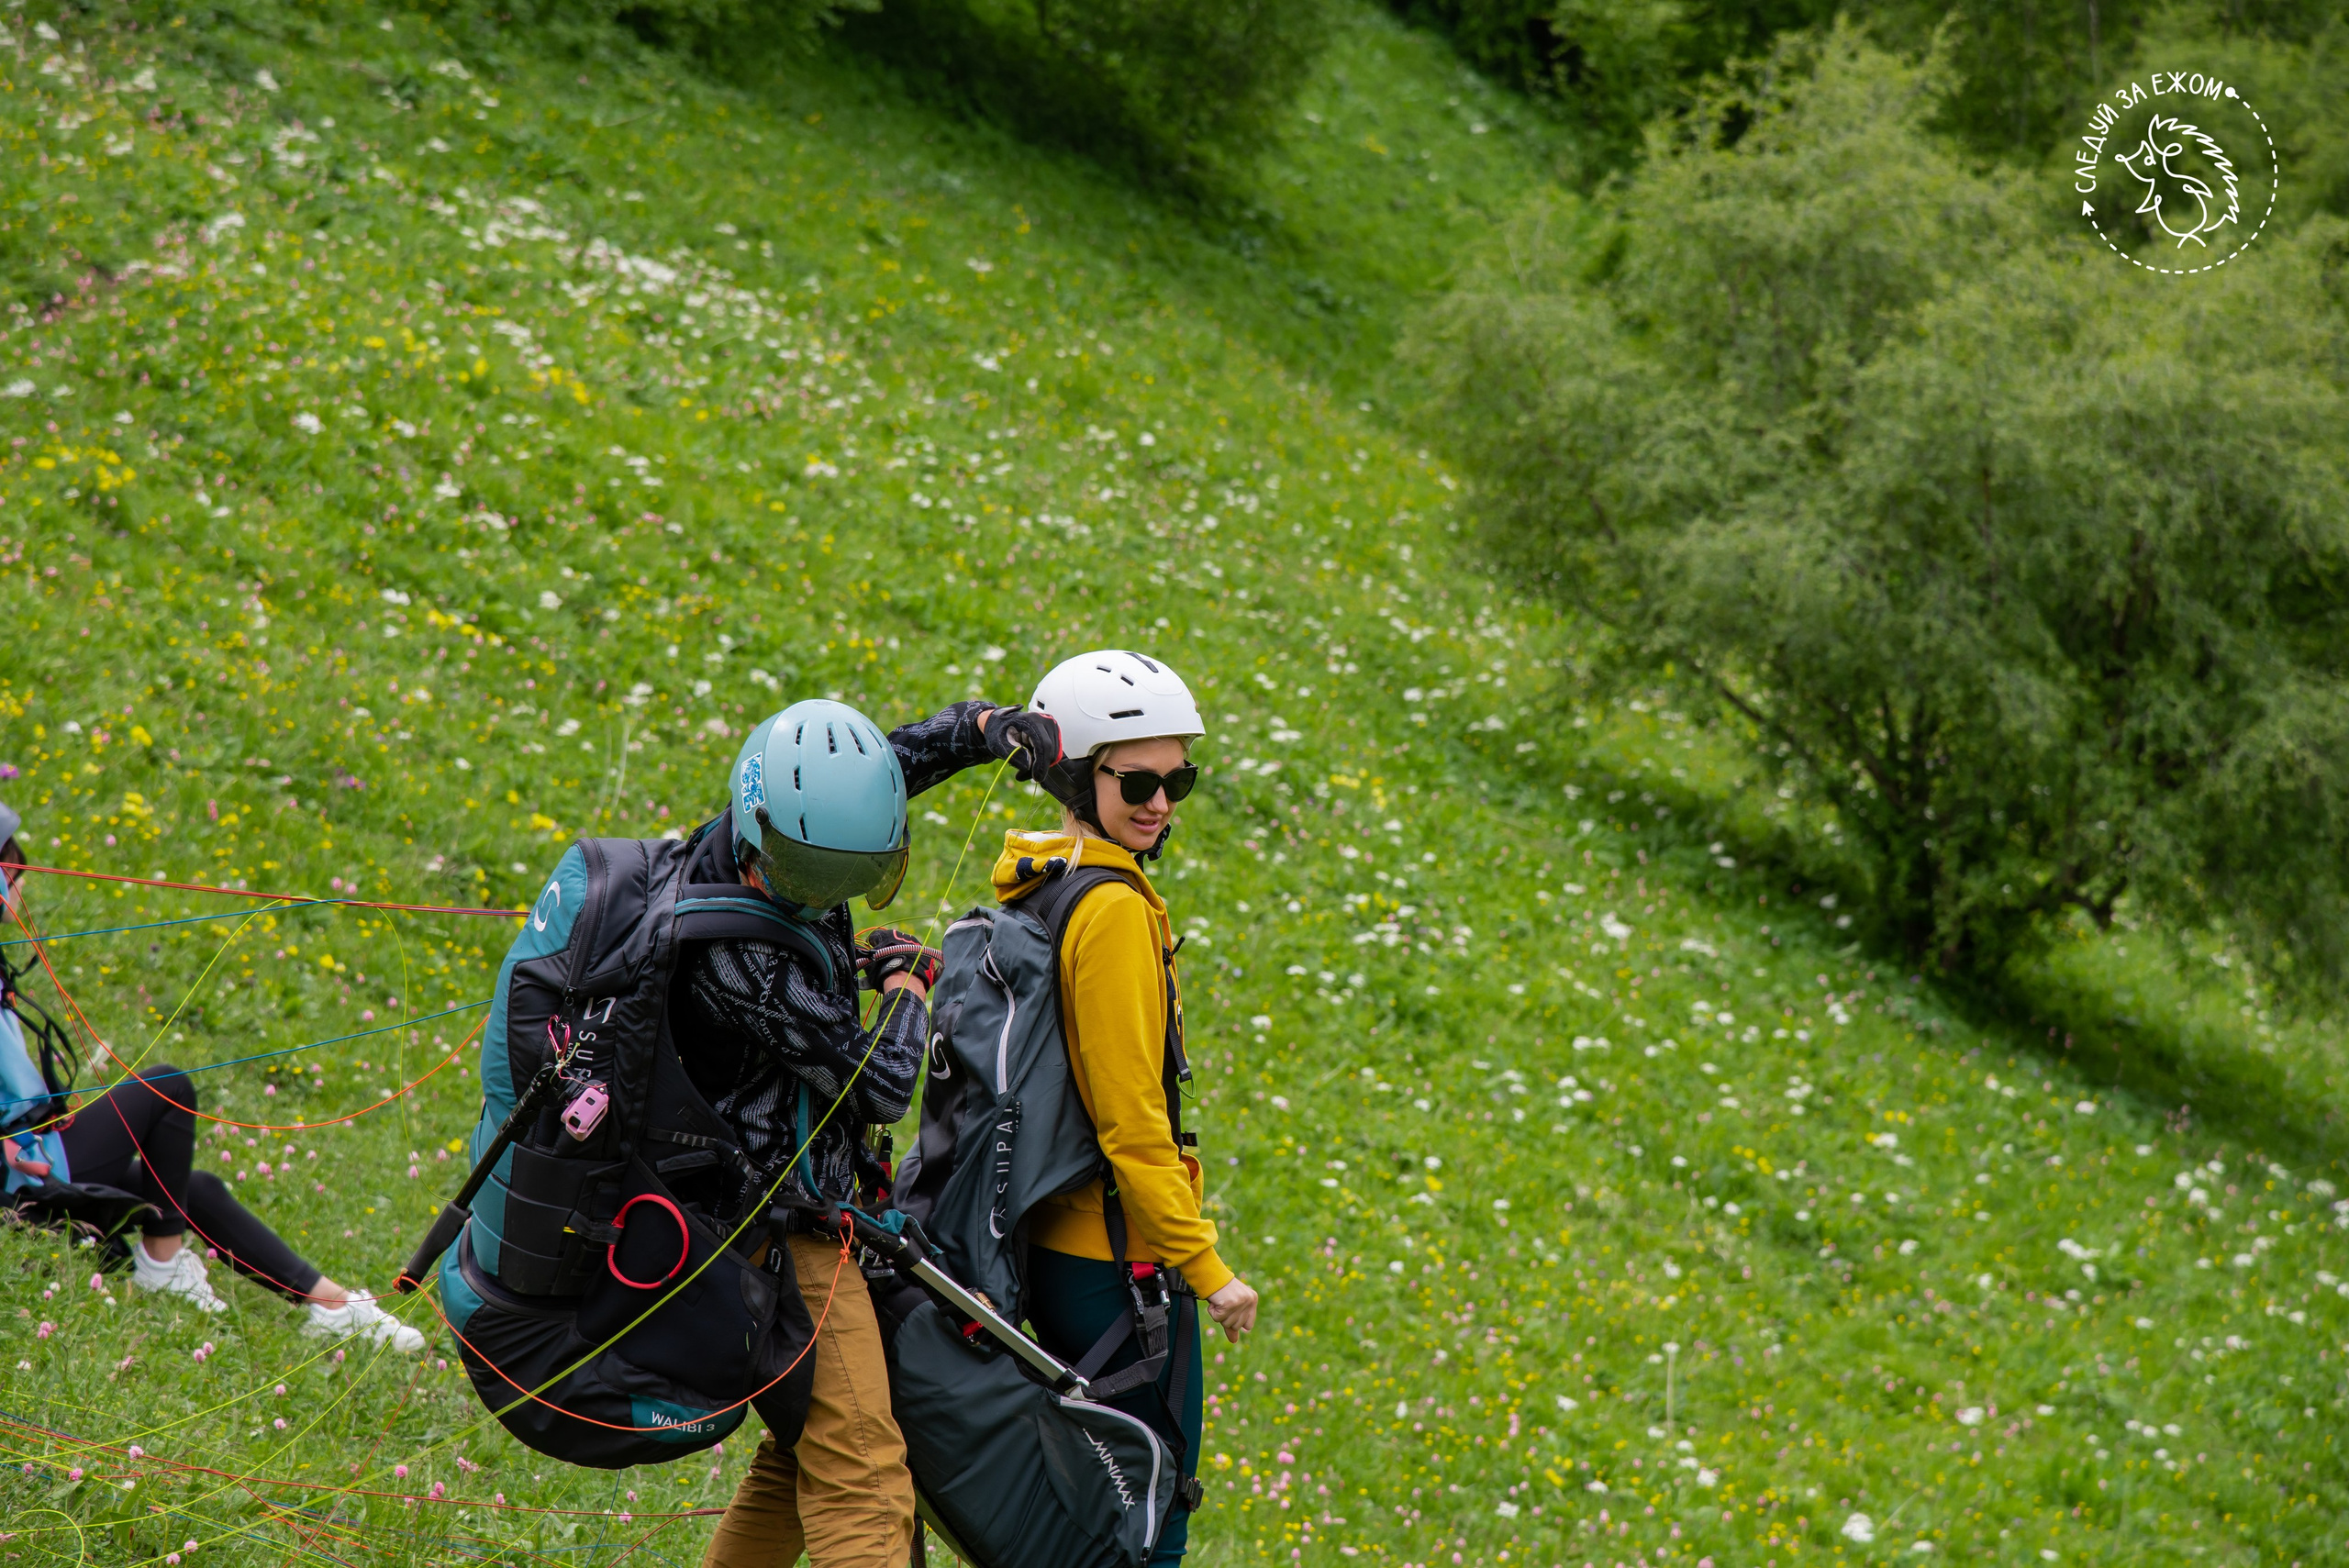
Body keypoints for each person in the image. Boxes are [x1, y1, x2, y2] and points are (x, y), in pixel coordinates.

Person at [696, 697, 1058, 1568]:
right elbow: (884, 1083)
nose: (821, 899)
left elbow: (872, 775)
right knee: (862, 1471)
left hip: (789, 1215)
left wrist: (977, 730)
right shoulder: (735, 955)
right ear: (761, 831)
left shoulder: (768, 826)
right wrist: (905, 984)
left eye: (840, 881)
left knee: (801, 1457)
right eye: (807, 880)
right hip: (779, 1232)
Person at [996, 651, 1261, 1566]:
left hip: (1058, 1236)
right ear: (1074, 772)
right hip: (1118, 1258)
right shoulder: (1108, 909)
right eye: (1137, 779)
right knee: (1152, 1512)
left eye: (1177, 777)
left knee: (1090, 1510)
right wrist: (1205, 1263)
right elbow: (1130, 1116)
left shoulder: (1045, 876)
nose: (1160, 801)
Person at [0, 805, 425, 1351]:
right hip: (18, 1176)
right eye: (11, 875)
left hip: (31, 1152)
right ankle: (161, 1267)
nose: (18, 888)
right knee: (166, 1086)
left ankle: (333, 1305)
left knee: (194, 1189)